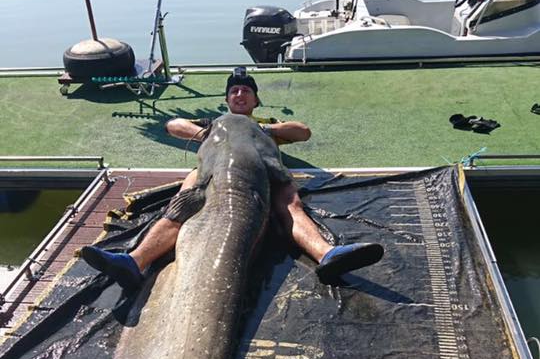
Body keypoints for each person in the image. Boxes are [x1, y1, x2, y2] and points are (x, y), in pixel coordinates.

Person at [80, 72, 383, 292]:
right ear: (226, 99)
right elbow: (172, 125)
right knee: (178, 208)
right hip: (211, 170)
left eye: (246, 91)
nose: (240, 94)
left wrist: (263, 129)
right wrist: (209, 133)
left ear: (256, 99)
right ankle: (134, 262)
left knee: (290, 205)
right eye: (234, 91)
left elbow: (303, 132)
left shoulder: (266, 126)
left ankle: (325, 254)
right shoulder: (211, 123)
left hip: (262, 171)